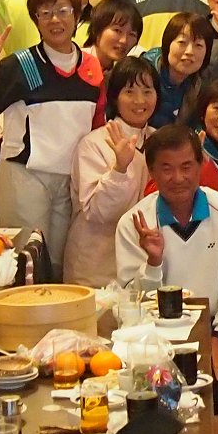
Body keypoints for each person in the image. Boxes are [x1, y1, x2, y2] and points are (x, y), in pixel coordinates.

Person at [0, 0, 105, 277]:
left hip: (70, 177)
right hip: (25, 174)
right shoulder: (21, 64)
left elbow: (97, 123)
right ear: (36, 20)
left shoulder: (91, 66)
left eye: (63, 11)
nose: (55, 20)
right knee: (26, 260)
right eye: (45, 13)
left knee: (60, 262)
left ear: (77, 16)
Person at [115, 124, 218, 413]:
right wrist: (153, 262)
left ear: (201, 166)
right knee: (158, 399)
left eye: (187, 167)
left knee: (217, 393)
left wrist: (217, 339)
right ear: (151, 172)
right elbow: (132, 304)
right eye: (166, 169)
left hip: (215, 328)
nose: (178, 178)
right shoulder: (134, 223)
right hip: (157, 337)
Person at [65, 57, 159, 287]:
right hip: (95, 271)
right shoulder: (94, 143)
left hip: (143, 266)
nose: (140, 100)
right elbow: (98, 213)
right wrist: (119, 169)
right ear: (115, 97)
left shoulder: (159, 140)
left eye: (147, 91)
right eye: (129, 92)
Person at [141, 12, 215, 128]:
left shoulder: (202, 81)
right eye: (182, 42)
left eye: (198, 45)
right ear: (167, 44)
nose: (189, 51)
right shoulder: (144, 71)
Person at [81, 0, 143, 79]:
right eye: (117, 30)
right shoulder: (77, 63)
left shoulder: (126, 74)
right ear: (96, 29)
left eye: (132, 34)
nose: (124, 40)